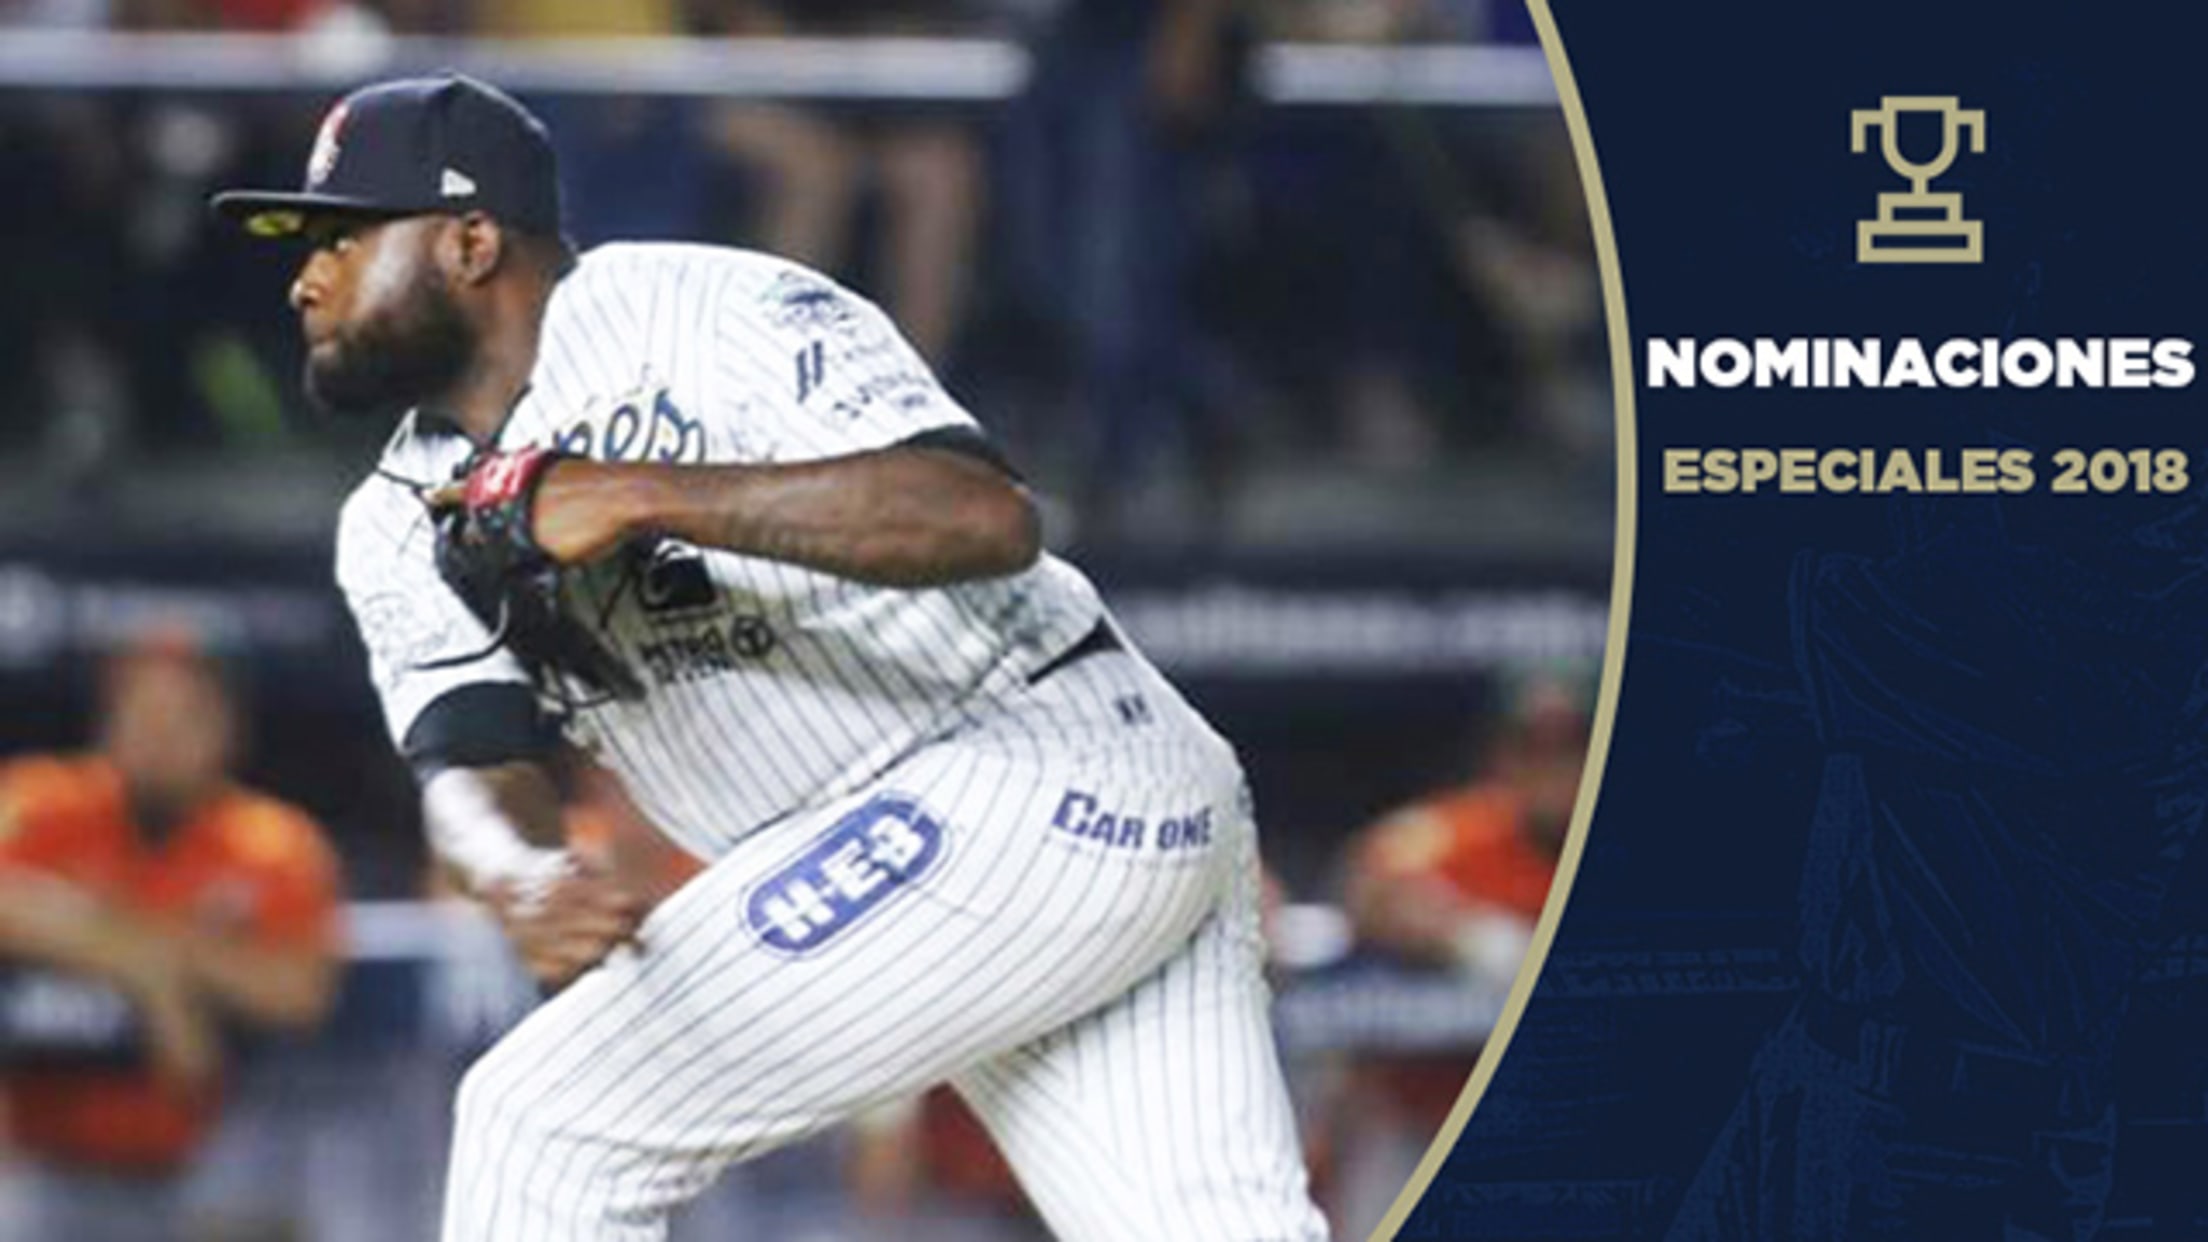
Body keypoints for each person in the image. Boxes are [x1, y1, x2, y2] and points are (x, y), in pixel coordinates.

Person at [209, 74, 1324, 1241]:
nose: (305, 278)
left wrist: (641, 494)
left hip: (1034, 764)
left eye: (341, 238)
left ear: (470, 241)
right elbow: (473, 763)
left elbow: (983, 515)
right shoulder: (393, 520)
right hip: (988, 851)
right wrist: (521, 871)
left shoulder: (699, 310)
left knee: (545, 1123)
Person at [0, 631, 344, 1242]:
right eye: (141, 714)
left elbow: (300, 991)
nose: (158, 737)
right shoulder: (45, 801)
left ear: (225, 731)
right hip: (43, 1155)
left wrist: (143, 953)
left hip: (214, 1155)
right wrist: (151, 976)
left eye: (183, 718)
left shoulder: (272, 841)